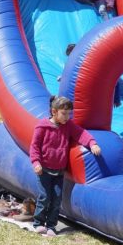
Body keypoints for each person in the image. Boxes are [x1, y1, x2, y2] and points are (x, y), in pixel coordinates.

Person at [29, 96, 102, 236]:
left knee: (57, 199)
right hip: (44, 170)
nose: (67, 117)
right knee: (44, 197)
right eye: (64, 113)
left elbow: (81, 134)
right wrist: (36, 162)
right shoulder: (42, 126)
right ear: (54, 111)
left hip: (59, 170)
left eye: (69, 113)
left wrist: (92, 143)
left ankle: (51, 225)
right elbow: (35, 146)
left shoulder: (68, 125)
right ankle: (38, 223)